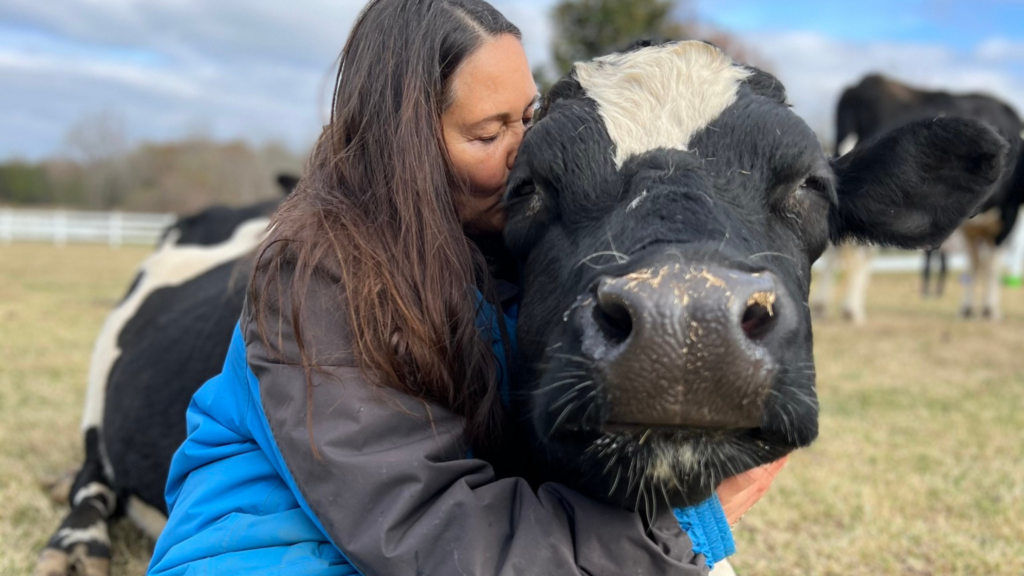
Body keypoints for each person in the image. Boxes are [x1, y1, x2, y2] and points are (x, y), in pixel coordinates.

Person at [147, 0, 787, 574]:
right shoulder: (317, 280)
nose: (527, 148)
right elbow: (422, 527)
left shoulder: (505, 251)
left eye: (531, 117)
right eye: (488, 133)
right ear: (406, 150)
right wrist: (677, 531)